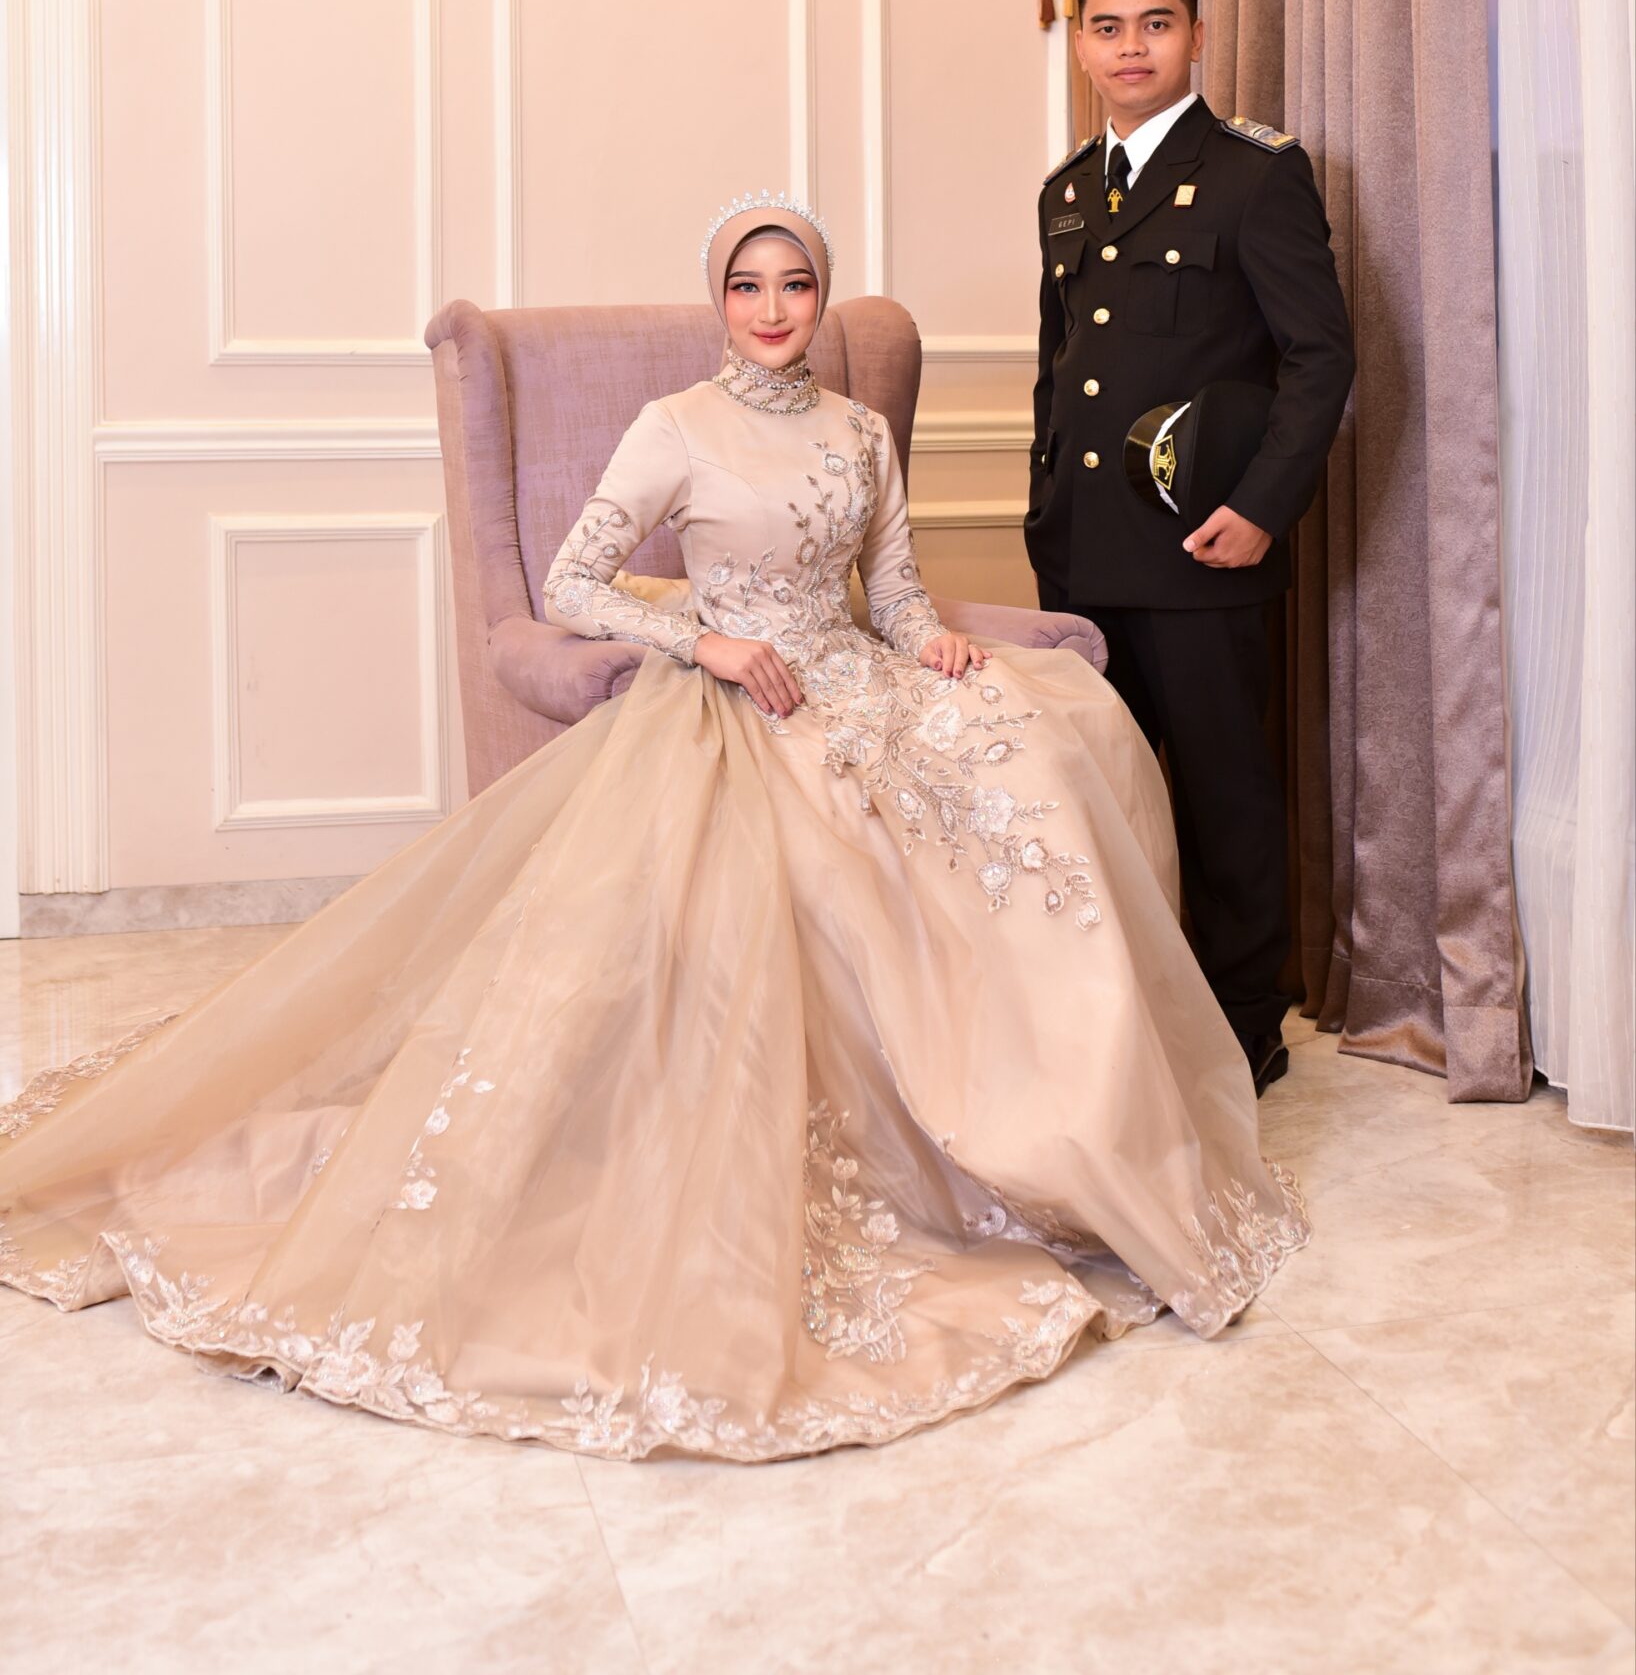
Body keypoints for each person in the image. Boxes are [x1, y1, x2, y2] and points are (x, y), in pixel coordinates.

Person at [0, 192, 1306, 1463]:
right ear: (718, 301)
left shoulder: (859, 429)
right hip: (736, 701)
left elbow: (897, 592)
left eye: (796, 284)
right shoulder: (675, 425)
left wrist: (936, 648)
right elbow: (573, 581)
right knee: (829, 858)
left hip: (858, 681)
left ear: (821, 296)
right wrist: (706, 642)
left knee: (1041, 765)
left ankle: (1061, 1143)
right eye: (748, 285)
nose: (774, 308)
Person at [1025, 0, 1356, 1097]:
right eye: (1107, 26)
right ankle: (1123, 1016)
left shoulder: (1256, 176)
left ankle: (1241, 1025)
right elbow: (1059, 371)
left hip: (1201, 545)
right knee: (1101, 799)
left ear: (1196, 36)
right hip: (1083, 553)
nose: (1131, 47)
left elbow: (1320, 358)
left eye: (1155, 24)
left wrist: (1262, 507)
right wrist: (1042, 513)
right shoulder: (1068, 190)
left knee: (1222, 798)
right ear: (1081, 45)